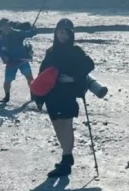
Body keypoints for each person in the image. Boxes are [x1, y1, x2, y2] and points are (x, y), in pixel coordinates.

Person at [35, 18, 97, 178]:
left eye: (66, 33)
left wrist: (73, 78)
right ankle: (66, 156)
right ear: (55, 33)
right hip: (52, 94)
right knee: (57, 126)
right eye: (60, 32)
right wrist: (38, 96)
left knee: (66, 125)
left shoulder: (76, 51)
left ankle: (66, 160)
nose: (62, 35)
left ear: (71, 35)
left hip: (67, 94)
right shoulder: (51, 51)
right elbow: (42, 73)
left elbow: (89, 65)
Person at [0, 18, 36, 105]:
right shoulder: (1, 38)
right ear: (1, 27)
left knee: (29, 78)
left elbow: (29, 34)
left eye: (7, 25)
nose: (6, 27)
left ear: (10, 26)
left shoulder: (17, 32)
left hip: (22, 60)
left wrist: (33, 30)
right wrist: (4, 57)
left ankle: (33, 95)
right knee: (7, 81)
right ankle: (7, 96)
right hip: (11, 62)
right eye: (3, 26)